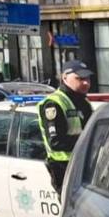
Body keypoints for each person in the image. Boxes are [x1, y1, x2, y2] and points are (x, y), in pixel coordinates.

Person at [38, 60, 96, 195]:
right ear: (64, 78)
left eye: (87, 78)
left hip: (84, 163)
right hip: (64, 167)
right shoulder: (53, 103)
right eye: (79, 78)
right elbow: (56, 142)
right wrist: (89, 141)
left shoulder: (84, 102)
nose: (86, 83)